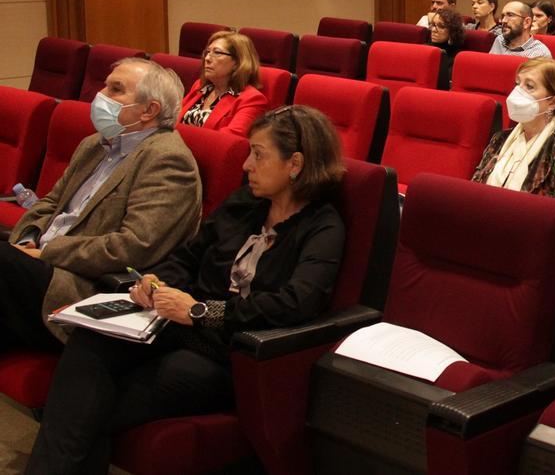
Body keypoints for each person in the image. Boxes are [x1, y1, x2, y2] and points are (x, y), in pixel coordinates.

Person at [27, 105, 347, 473]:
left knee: (86, 405)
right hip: (171, 326)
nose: (246, 165)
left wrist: (200, 311)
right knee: (89, 344)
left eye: (258, 155)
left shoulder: (322, 227)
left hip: (229, 352)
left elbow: (297, 303)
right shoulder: (244, 204)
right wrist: (154, 281)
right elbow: (187, 257)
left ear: (295, 164)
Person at [1, 58, 202, 349]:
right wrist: (30, 238)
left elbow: (133, 245)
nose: (100, 96)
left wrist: (46, 251)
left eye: (115, 89)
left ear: (149, 110)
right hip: (35, 261)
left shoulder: (167, 159)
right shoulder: (94, 145)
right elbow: (51, 203)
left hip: (76, 282)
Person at [472, 59, 555, 206]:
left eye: (529, 86)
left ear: (553, 102)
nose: (517, 92)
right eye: (518, 84)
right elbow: (474, 189)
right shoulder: (500, 138)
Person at [178, 31, 269, 136]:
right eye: (207, 52)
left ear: (238, 62)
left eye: (217, 53)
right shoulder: (200, 86)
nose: (207, 58)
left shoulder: (252, 100)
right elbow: (173, 119)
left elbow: (228, 140)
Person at [489, 1, 553, 59]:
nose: (504, 21)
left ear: (526, 22)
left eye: (510, 15)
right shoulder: (499, 40)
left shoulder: (540, 53)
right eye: (503, 16)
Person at [429, 7, 468, 75]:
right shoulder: (425, 49)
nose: (433, 30)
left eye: (441, 26)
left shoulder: (457, 59)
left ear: (452, 31)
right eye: (433, 25)